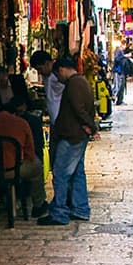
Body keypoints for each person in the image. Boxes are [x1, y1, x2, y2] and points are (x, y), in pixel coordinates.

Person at [38, 57, 97, 226]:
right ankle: (80, 208)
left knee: (61, 173)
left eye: (58, 73)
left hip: (71, 136)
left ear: (63, 69)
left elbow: (79, 109)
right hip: (78, 135)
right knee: (77, 172)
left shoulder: (73, 84)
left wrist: (90, 126)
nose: (59, 77)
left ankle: (60, 212)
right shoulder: (82, 81)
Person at [29, 50, 64, 125]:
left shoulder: (60, 74)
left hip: (64, 120)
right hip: (54, 120)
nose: (39, 72)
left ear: (47, 63)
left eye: (40, 69)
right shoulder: (46, 76)